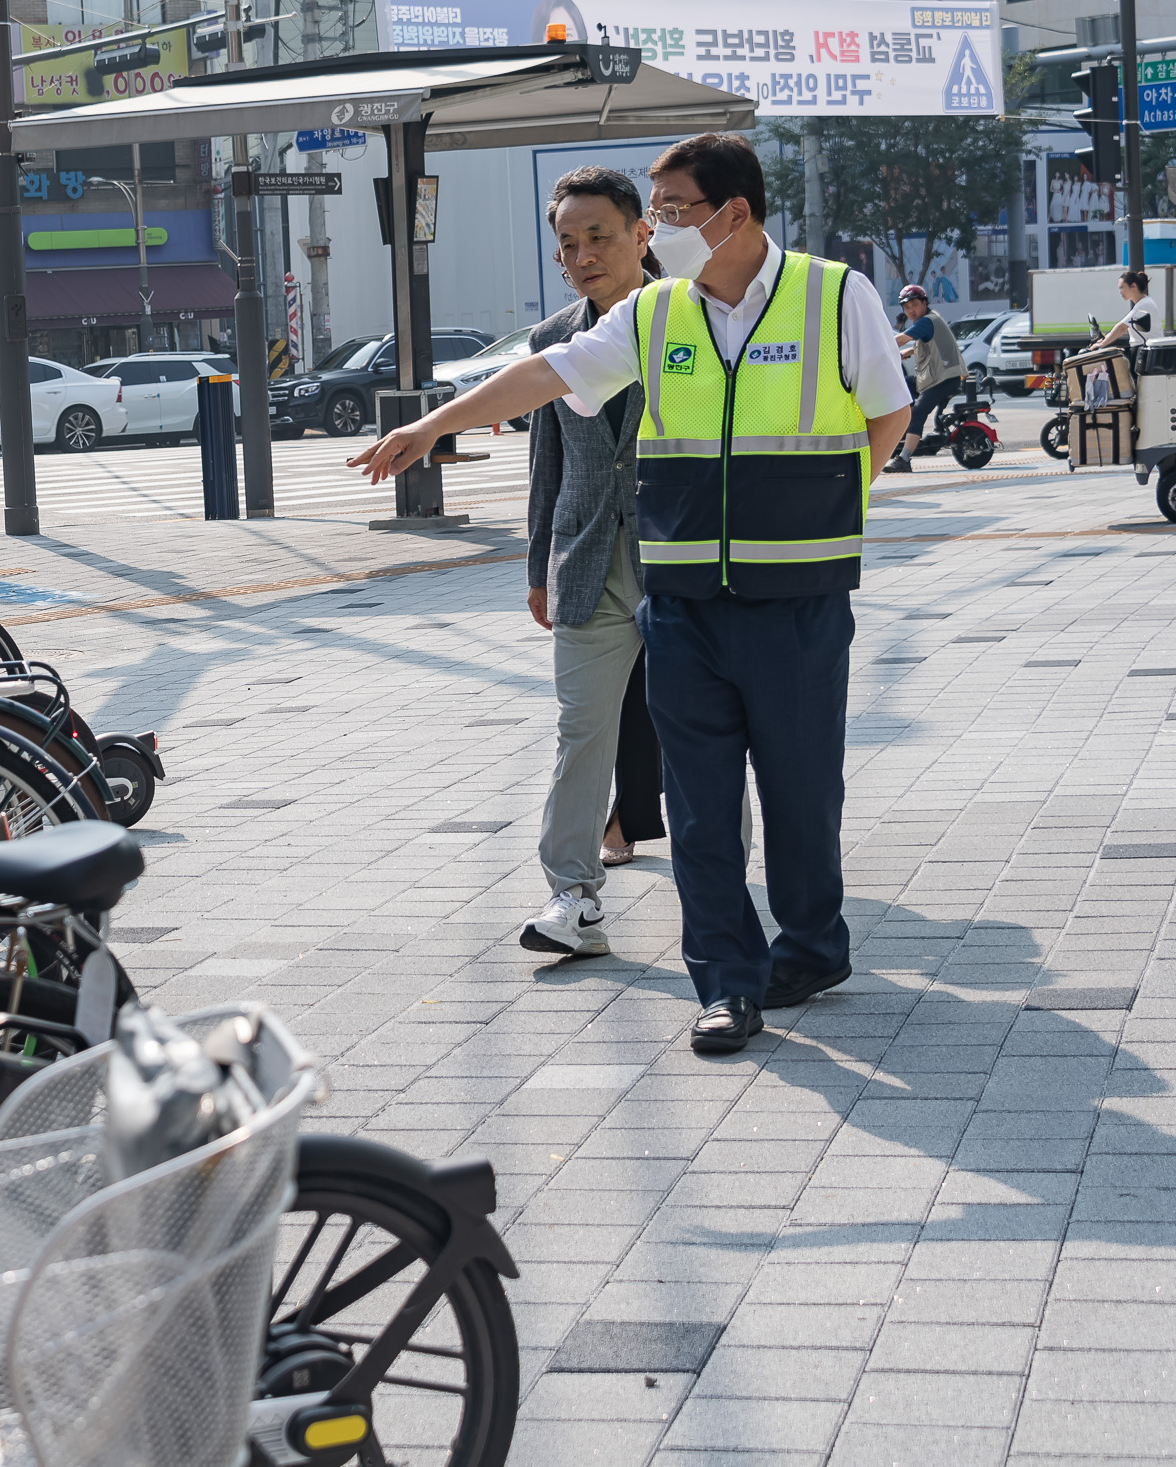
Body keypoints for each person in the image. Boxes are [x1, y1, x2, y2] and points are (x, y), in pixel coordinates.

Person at [355, 133, 912, 1054]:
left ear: (734, 213)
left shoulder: (832, 294)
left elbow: (888, 411)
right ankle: (727, 983)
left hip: (798, 601)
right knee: (696, 808)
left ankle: (812, 946)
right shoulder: (654, 313)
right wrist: (431, 421)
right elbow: (544, 374)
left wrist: (829, 502)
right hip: (683, 597)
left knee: (802, 791)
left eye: (674, 211)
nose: (660, 228)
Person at [518, 166, 663, 957]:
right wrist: (539, 560)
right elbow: (548, 461)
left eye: (597, 236)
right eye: (567, 243)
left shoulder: (694, 321)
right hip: (586, 559)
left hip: (679, 555)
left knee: (703, 731)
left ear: (642, 233)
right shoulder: (551, 340)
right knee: (581, 732)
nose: (580, 254)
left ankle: (727, 887)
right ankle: (572, 895)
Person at [885, 285, 964, 473]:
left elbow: (900, 339)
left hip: (944, 379)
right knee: (902, 388)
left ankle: (904, 459)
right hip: (936, 377)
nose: (910, 310)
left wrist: (876, 347)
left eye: (914, 305)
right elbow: (930, 342)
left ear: (924, 303)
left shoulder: (927, 321)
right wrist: (910, 351)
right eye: (906, 307)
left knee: (918, 413)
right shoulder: (929, 320)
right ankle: (905, 431)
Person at [1089, 269, 1159, 352]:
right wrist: (1104, 339)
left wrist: (1102, 344)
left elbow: (1122, 327)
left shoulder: (1144, 304)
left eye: (1122, 287)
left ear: (1133, 286)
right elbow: (1124, 326)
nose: (1120, 292)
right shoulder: (1144, 303)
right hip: (1142, 350)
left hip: (1145, 351)